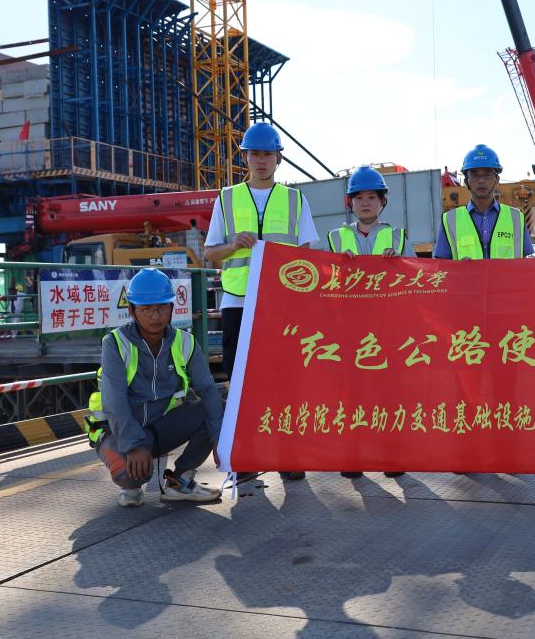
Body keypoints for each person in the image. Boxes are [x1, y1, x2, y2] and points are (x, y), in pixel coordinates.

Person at [203, 122, 318, 481]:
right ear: (246, 158)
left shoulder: (295, 200)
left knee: (286, 381)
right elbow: (209, 254)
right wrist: (234, 244)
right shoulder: (226, 199)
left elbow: (308, 253)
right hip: (238, 304)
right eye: (255, 154)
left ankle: (288, 454)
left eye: (268, 154)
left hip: (281, 306)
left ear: (278, 158)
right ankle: (249, 454)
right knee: (241, 382)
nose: (261, 160)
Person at [86, 268, 224, 507]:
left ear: (172, 308)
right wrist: (133, 446)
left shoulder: (186, 343)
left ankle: (180, 481)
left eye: (161, 307)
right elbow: (114, 402)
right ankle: (130, 485)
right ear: (132, 311)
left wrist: (220, 438)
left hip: (159, 427)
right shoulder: (115, 344)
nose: (155, 315)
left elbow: (208, 390)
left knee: (216, 406)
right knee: (130, 475)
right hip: (117, 430)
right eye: (146, 309)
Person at [327, 166, 413, 479]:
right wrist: (338, 267)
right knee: (352, 396)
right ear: (349, 202)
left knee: (389, 395)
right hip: (349, 330)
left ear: (382, 202)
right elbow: (322, 284)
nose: (365, 203)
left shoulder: (398, 238)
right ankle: (353, 456)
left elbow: (416, 281)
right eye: (359, 197)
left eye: (372, 197)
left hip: (387, 329)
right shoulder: (335, 239)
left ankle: (392, 455)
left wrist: (398, 263)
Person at [433, 145, 533, 259]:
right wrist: (459, 266)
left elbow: (526, 265)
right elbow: (442, 264)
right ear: (466, 181)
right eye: (475, 175)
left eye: (487, 174)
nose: (481, 180)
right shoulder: (450, 220)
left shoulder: (516, 218)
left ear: (497, 180)